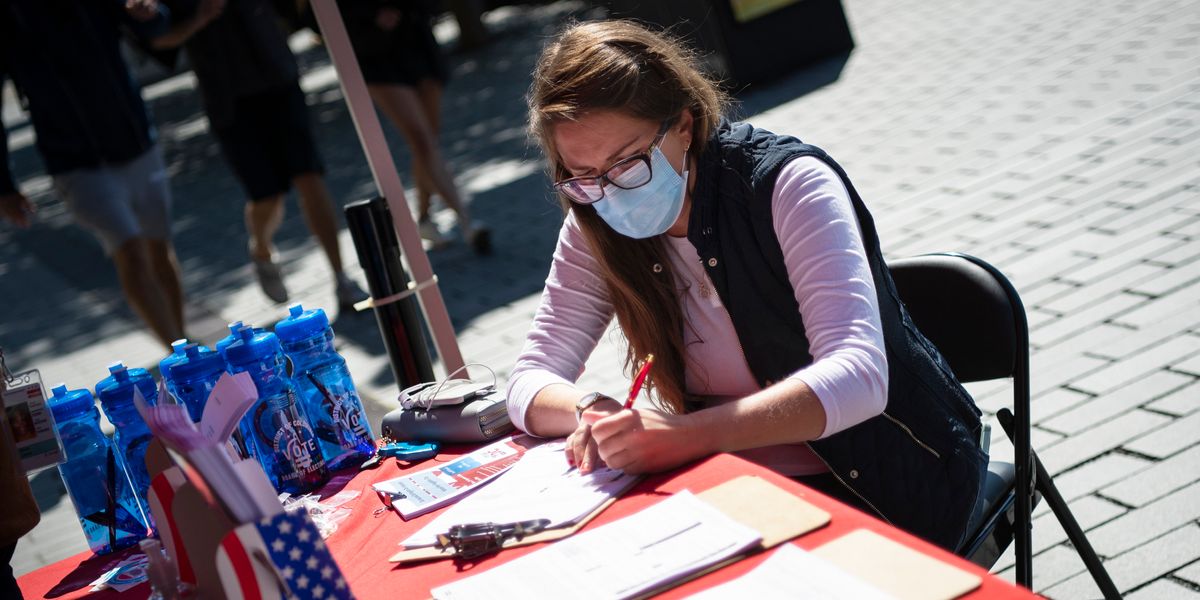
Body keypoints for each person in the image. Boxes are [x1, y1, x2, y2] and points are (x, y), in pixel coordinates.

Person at [506, 20, 989, 552]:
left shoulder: (785, 185)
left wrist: (689, 435)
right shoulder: (595, 219)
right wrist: (593, 410)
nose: (610, 190)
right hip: (732, 489)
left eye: (628, 162)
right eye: (583, 173)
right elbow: (529, 378)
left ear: (684, 125)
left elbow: (860, 379)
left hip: (891, 482)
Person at [149, 0, 368, 308]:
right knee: (267, 195)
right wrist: (199, 17)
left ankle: (341, 277)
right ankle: (261, 249)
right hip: (228, 99)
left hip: (278, 79)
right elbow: (156, 39)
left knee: (310, 177)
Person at [0, 0, 186, 351]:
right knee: (130, 250)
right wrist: (5, 187)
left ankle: (184, 344)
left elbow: (154, 28)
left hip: (134, 140)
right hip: (74, 160)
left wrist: (150, 13)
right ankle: (176, 351)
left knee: (158, 246)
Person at [340, 0, 490, 254]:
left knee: (427, 142)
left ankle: (424, 218)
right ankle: (466, 221)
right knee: (422, 140)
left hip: (417, 42)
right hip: (375, 53)